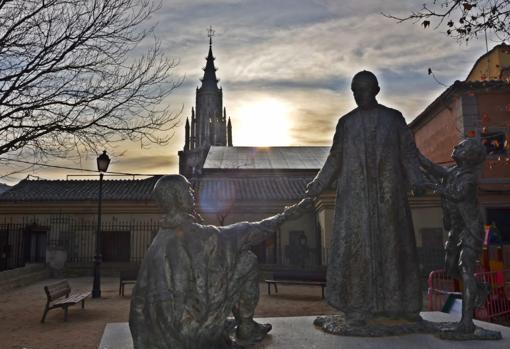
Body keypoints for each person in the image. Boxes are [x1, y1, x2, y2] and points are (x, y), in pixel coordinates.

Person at [129, 175, 310, 349]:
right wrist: (285, 216)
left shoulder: (160, 240)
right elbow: (247, 231)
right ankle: (246, 327)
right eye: (187, 188)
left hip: (154, 336)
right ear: (177, 197)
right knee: (247, 261)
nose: (192, 191)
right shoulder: (194, 234)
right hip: (185, 338)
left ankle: (231, 325)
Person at [306, 70, 425, 325]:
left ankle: (397, 305)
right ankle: (358, 305)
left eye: (365, 89)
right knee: (357, 251)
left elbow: (408, 153)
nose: (360, 95)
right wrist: (319, 183)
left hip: (388, 195)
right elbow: (335, 157)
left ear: (377, 90)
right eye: (356, 91)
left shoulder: (394, 119)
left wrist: (417, 179)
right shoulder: (346, 123)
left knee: (393, 248)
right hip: (356, 199)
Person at [419, 138, 488, 333]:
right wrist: (411, 151)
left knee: (465, 269)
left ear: (471, 156)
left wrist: (434, 187)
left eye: (462, 146)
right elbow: (431, 167)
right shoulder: (452, 172)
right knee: (451, 269)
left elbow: (457, 194)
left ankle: (467, 322)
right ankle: (479, 288)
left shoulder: (469, 178)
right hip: (455, 230)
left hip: (470, 229)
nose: (457, 146)